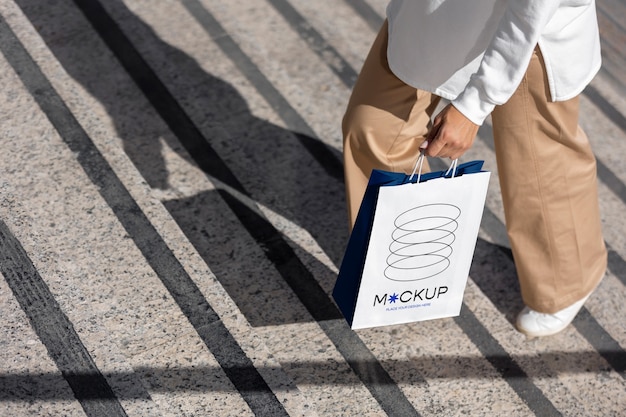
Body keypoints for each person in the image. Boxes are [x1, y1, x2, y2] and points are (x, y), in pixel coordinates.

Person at [342, 0, 608, 337]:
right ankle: (396, 267)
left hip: (530, 27)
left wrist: (472, 106)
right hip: (434, 11)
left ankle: (567, 279)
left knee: (538, 165)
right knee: (374, 130)